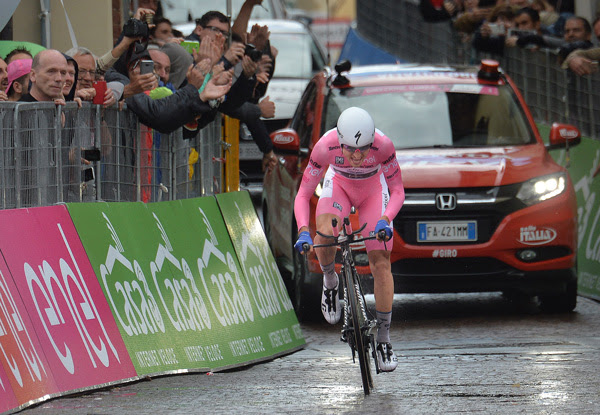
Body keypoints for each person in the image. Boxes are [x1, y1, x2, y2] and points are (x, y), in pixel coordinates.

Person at [293, 107, 405, 372]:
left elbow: (398, 190)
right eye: (351, 149)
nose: (357, 155)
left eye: (364, 149)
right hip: (339, 187)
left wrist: (385, 219)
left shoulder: (384, 145)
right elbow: (303, 194)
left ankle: (384, 339)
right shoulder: (325, 146)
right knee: (325, 232)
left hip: (373, 191)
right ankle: (330, 280)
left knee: (381, 261)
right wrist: (303, 230)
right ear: (340, 140)